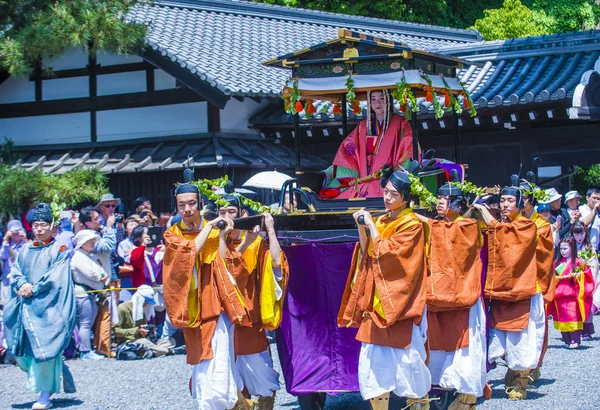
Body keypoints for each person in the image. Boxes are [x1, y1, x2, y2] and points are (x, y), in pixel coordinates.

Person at [338, 169, 431, 410]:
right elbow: (368, 250)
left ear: (406, 197)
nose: (387, 197)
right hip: (376, 301)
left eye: (393, 194)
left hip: (400, 301)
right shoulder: (383, 220)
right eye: (386, 192)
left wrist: (370, 224)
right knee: (372, 363)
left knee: (408, 363)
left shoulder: (412, 224)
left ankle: (418, 405)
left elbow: (389, 255)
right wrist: (363, 227)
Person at [162, 183, 251, 410]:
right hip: (191, 307)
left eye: (192, 203)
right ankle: (212, 404)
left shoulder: (212, 228)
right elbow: (189, 252)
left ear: (200, 203)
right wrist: (209, 228)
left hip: (216, 302)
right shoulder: (172, 234)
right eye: (182, 205)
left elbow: (224, 262)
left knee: (221, 358)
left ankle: (227, 401)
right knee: (202, 361)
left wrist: (221, 235)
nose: (187, 209)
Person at [415, 179, 486, 410]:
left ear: (457, 203)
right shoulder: (438, 225)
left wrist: (424, 222)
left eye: (445, 199)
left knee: (464, 349)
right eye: (439, 199)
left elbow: (449, 237)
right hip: (438, 297)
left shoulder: (468, 226)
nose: (440, 203)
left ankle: (466, 399)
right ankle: (439, 391)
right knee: (436, 345)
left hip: (463, 299)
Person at [473, 177, 545, 401]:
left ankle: (521, 382)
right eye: (502, 200)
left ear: (520, 203)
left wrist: (486, 215)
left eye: (510, 201)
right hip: (501, 292)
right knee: (501, 336)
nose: (505, 205)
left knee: (520, 337)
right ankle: (512, 370)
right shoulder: (501, 225)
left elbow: (509, 245)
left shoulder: (526, 225)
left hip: (522, 292)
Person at [217, 196, 289, 409]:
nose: (227, 216)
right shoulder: (216, 240)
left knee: (262, 377)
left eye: (231, 211)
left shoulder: (256, 242)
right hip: (223, 319)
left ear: (242, 214)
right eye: (222, 212)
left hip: (249, 318)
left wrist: (270, 231)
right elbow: (223, 271)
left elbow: (277, 264)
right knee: (226, 381)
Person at [3, 203, 76, 410]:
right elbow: (16, 271)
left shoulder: (59, 249)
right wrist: (22, 284)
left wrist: (34, 289)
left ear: (52, 226)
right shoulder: (25, 249)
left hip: (50, 308)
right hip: (27, 307)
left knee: (46, 349)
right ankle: (48, 385)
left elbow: (56, 277)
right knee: (22, 352)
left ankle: (44, 394)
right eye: (36, 225)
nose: (39, 229)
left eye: (44, 225)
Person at [319, 89, 418, 199]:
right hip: (364, 176)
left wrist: (393, 173)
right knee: (341, 195)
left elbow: (407, 148)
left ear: (388, 100)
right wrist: (352, 177)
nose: (377, 103)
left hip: (388, 177)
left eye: (381, 98)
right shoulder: (363, 126)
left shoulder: (401, 124)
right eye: (373, 99)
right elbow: (349, 147)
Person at [519, 176, 556, 382]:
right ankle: (516, 365)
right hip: (515, 281)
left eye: (523, 198)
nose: (519, 202)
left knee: (536, 325)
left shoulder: (542, 225)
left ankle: (534, 366)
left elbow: (544, 257)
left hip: (534, 281)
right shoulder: (513, 221)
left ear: (531, 200)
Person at [547, 236, 594, 348]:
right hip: (559, 295)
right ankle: (567, 338)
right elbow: (550, 277)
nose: (562, 251)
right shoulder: (557, 263)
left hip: (572, 295)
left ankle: (575, 339)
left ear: (572, 248)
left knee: (573, 316)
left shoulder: (579, 262)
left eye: (565, 248)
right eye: (561, 249)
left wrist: (579, 276)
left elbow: (587, 276)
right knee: (561, 317)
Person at [113, 285, 169, 357]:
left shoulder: (143, 309)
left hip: (143, 340)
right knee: (145, 342)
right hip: (129, 341)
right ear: (140, 299)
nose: (147, 304)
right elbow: (116, 331)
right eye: (146, 301)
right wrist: (137, 330)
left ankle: (151, 352)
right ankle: (167, 351)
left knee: (169, 340)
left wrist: (149, 330)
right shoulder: (122, 308)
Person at [571, 221, 599, 338]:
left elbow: (594, 264)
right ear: (572, 234)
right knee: (574, 305)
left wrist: (590, 279)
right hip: (572, 279)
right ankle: (574, 329)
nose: (579, 236)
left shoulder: (589, 247)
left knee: (587, 303)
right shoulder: (569, 246)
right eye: (576, 234)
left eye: (581, 233)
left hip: (586, 279)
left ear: (585, 233)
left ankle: (587, 330)